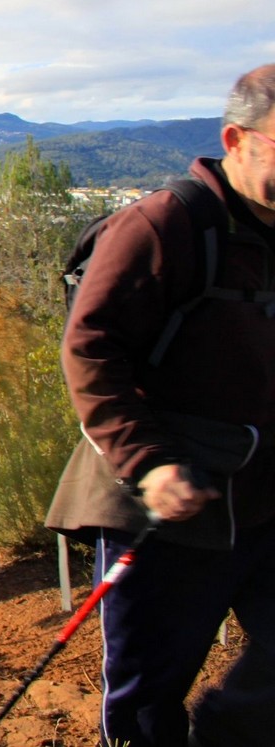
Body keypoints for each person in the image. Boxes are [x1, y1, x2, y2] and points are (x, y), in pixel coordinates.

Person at [45, 65, 275, 747]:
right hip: (162, 508)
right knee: (146, 707)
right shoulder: (164, 224)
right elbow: (89, 349)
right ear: (236, 139)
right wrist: (149, 462)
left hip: (262, 499)